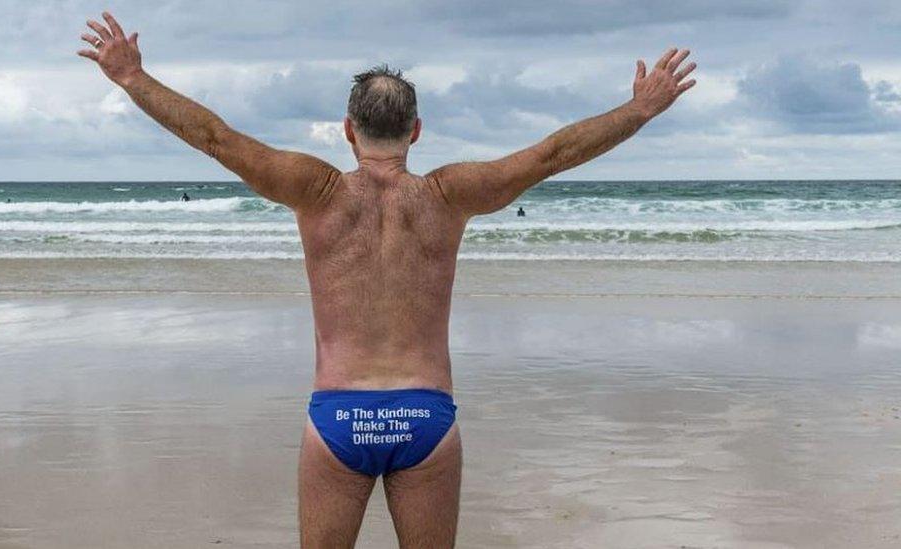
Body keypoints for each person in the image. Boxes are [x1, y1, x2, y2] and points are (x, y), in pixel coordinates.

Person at [78, 12, 696, 548]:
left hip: (337, 417)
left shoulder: (314, 189)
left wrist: (132, 78)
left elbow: (215, 138)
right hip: (427, 417)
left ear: (348, 130)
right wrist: (639, 109)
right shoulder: (448, 195)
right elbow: (551, 155)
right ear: (417, 131)